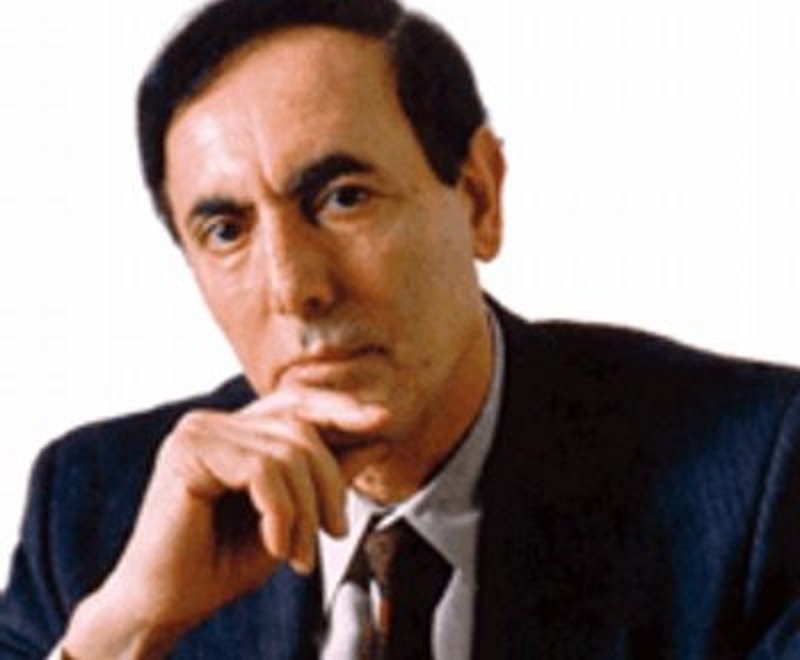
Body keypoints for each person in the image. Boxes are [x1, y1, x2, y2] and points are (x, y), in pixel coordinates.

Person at [1, 0, 800, 657]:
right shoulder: (94, 513)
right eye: (226, 231)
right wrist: (123, 635)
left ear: (479, 197)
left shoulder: (757, 476)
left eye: (343, 198)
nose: (295, 289)